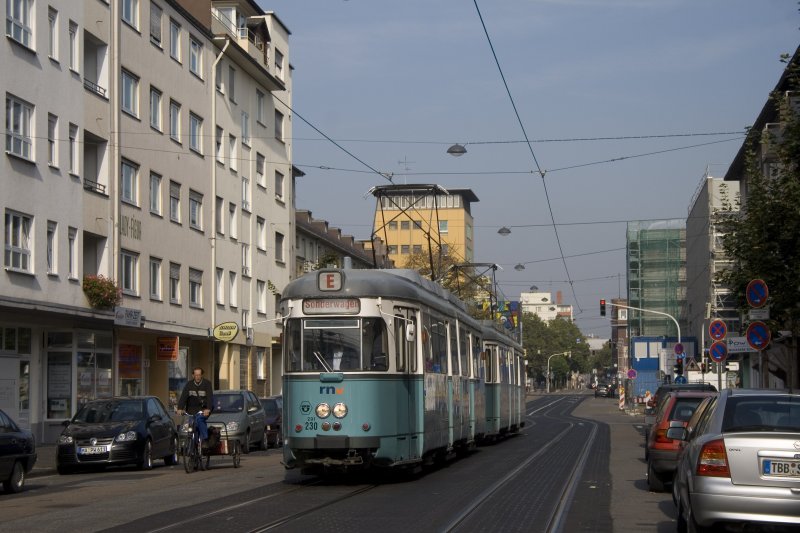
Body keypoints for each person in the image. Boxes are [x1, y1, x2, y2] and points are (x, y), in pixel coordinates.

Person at [177, 367, 214, 445]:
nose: (197, 377)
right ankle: (192, 444)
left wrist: (208, 409)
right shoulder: (189, 385)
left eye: (199, 375)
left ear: (202, 375)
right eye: (196, 375)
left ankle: (204, 440)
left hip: (203, 410)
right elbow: (183, 397)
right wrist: (180, 408)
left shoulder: (207, 384)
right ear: (193, 375)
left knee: (200, 420)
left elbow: (210, 398)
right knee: (190, 425)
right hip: (191, 410)